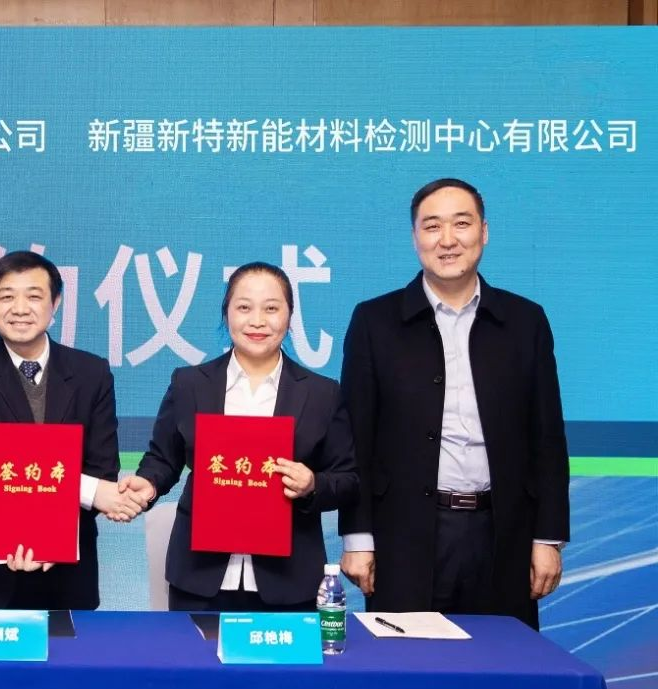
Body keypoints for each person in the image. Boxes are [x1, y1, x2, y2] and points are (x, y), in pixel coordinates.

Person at [339, 177, 569, 629]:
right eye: (432, 226)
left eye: (461, 224)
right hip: (404, 536)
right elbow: (356, 439)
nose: (447, 240)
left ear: (484, 231)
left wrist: (548, 537)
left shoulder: (525, 321)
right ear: (415, 238)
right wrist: (357, 537)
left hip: (503, 533)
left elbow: (547, 436)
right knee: (406, 664)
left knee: (502, 663)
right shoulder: (375, 321)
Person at [123, 262, 359, 611]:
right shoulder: (190, 384)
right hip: (200, 576)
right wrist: (149, 483)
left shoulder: (322, 393)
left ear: (290, 316)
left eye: (271, 308)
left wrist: (312, 484)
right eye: (244, 307)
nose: (257, 321)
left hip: (288, 579)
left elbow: (348, 478)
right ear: (227, 313)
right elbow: (163, 458)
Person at [0, 250, 144, 610]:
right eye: (7, 296)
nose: (20, 308)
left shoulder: (91, 373)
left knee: (67, 646)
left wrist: (50, 537)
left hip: (68, 563)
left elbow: (102, 465)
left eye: (34, 296)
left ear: (55, 303)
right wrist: (91, 491)